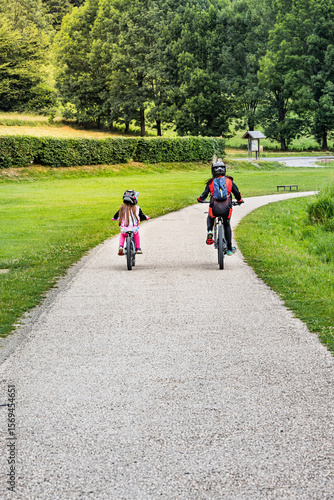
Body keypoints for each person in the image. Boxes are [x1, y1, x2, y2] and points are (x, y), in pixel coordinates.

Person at [197, 160, 243, 255]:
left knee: (210, 217)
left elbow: (204, 195)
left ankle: (210, 231)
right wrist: (239, 201)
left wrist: (200, 199)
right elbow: (237, 193)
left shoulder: (211, 182)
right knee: (227, 225)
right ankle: (229, 248)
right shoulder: (229, 181)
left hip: (214, 207)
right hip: (226, 208)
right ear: (224, 170)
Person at [112, 190, 149, 255]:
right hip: (134, 229)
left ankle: (121, 246)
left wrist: (114, 218)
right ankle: (138, 248)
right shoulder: (137, 208)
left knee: (122, 235)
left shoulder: (122, 208)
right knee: (136, 235)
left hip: (125, 229)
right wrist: (146, 218)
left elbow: (116, 215)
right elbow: (141, 216)